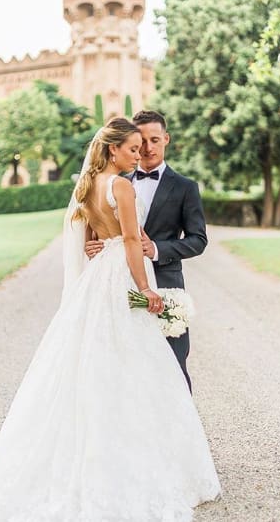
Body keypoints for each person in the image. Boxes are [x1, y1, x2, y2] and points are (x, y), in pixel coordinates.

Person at [0, 118, 221, 522]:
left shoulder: (86, 186)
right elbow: (131, 239)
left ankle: (97, 456)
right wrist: (145, 287)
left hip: (99, 279)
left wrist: (102, 245)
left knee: (96, 363)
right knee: (141, 366)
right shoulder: (122, 185)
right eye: (132, 147)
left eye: (146, 145)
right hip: (126, 275)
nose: (139, 153)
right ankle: (142, 463)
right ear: (113, 148)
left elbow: (91, 239)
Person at [85, 111, 207, 392]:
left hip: (164, 284)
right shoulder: (116, 180)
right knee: (125, 366)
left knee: (173, 365)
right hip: (119, 287)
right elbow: (97, 224)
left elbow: (198, 240)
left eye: (155, 140)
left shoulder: (185, 187)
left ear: (166, 139)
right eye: (141, 143)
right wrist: (91, 244)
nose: (147, 149)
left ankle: (181, 420)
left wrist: (156, 249)